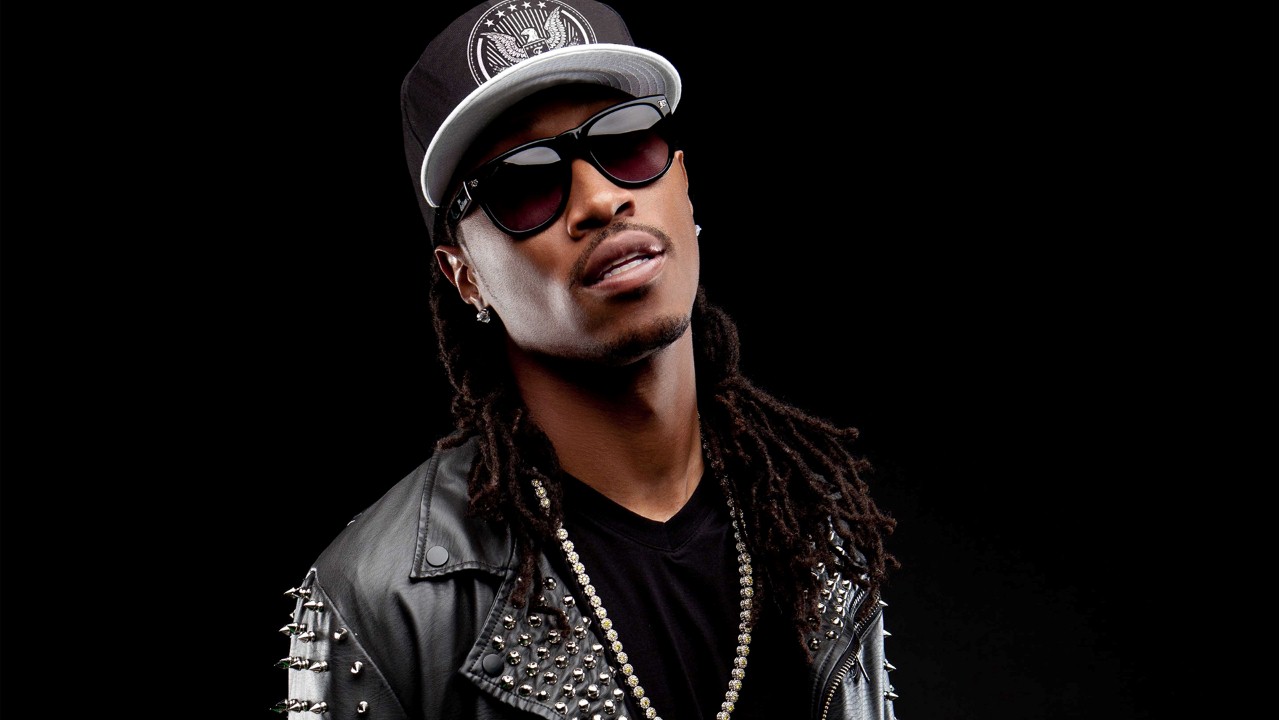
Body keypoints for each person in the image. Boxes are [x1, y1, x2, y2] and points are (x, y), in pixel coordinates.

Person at [274, 1, 901, 718]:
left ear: (683, 182)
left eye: (626, 142)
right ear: (463, 275)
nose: (601, 200)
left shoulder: (816, 527)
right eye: (522, 183)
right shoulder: (377, 602)